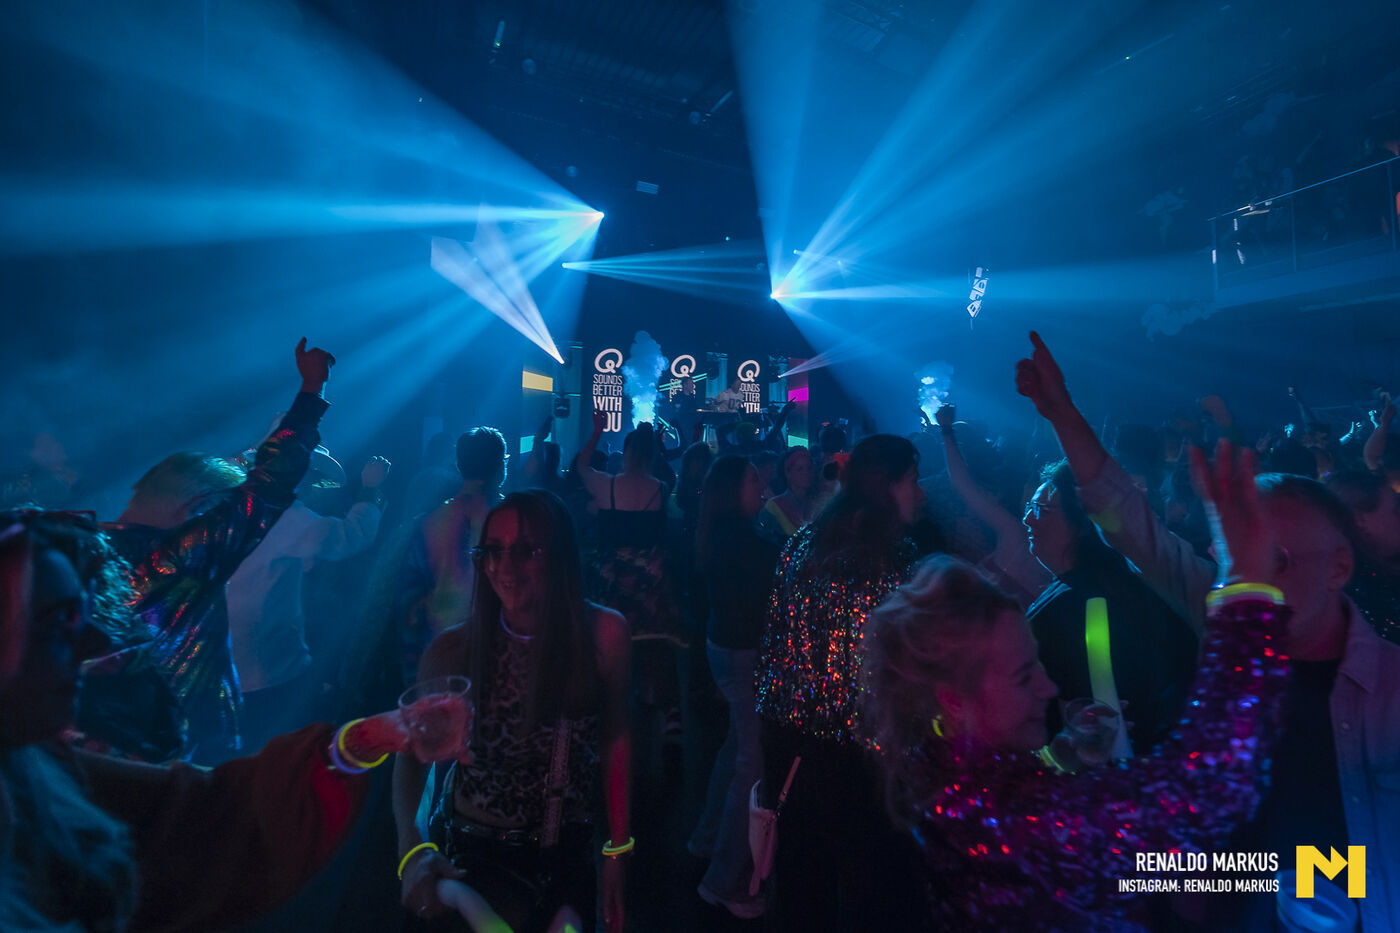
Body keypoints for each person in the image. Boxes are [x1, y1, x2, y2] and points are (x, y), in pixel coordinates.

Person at [1016, 331, 1400, 929]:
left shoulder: (1391, 687)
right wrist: (1062, 414)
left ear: (1339, 568)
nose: (1249, 575)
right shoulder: (1230, 613)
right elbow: (1129, 524)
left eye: (1274, 557)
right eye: (1238, 555)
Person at [858, 440, 1291, 931]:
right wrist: (1248, 587)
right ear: (954, 700)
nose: (1048, 689)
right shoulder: (1021, 822)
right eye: (1025, 674)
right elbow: (1204, 789)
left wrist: (1059, 754)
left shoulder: (934, 768)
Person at [0, 508, 459, 933]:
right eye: (59, 620)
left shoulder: (37, 767)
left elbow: (210, 812)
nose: (94, 643)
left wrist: (372, 736)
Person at [392, 491, 631, 933]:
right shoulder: (453, 650)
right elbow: (410, 759)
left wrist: (616, 849)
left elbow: (614, 737)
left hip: (569, 855)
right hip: (474, 858)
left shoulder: (604, 634)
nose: (504, 567)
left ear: (559, 556)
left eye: (527, 550)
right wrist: (413, 852)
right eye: (493, 551)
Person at [86, 338, 334, 762]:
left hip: (93, 760)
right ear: (200, 508)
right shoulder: (182, 555)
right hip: (178, 756)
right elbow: (269, 486)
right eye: (218, 511)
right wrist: (312, 391)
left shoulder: (75, 552)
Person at [753, 434, 929, 933]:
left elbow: (774, 645)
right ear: (885, 485)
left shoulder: (803, 542)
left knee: (803, 886)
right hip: (862, 758)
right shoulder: (894, 559)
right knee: (872, 890)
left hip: (791, 746)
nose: (920, 493)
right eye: (912, 481)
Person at [1023, 460, 1198, 748]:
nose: (1027, 519)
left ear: (1081, 523)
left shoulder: (1063, 610)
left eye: (1040, 509)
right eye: (1029, 507)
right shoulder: (1138, 581)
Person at [225, 452, 391, 752]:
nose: (312, 484)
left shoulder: (231, 503)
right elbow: (349, 536)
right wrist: (370, 490)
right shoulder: (280, 513)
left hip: (230, 660)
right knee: (276, 751)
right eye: (310, 475)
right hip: (268, 668)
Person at [687, 457, 780, 920]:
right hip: (743, 652)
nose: (761, 484)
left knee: (734, 747)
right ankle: (723, 882)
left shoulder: (719, 532)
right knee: (751, 761)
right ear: (733, 489)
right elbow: (779, 565)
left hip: (723, 646)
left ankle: (706, 838)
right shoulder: (745, 540)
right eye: (753, 479)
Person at [397, 427, 508, 688]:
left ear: (459, 465)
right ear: (501, 467)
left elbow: (409, 605)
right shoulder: (514, 520)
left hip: (440, 653)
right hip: (501, 653)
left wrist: (414, 673)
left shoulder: (427, 523)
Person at [756, 446, 818, 542]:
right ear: (788, 472)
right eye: (800, 469)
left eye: (809, 468)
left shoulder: (818, 503)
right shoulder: (773, 507)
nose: (806, 472)